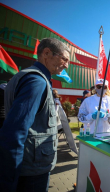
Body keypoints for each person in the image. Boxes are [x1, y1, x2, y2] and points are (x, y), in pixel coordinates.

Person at [0, 38, 70, 192]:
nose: (66, 65)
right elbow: (15, 132)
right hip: (31, 171)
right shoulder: (36, 81)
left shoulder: (29, 77)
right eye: (64, 59)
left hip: (31, 165)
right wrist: (8, 180)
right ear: (46, 53)